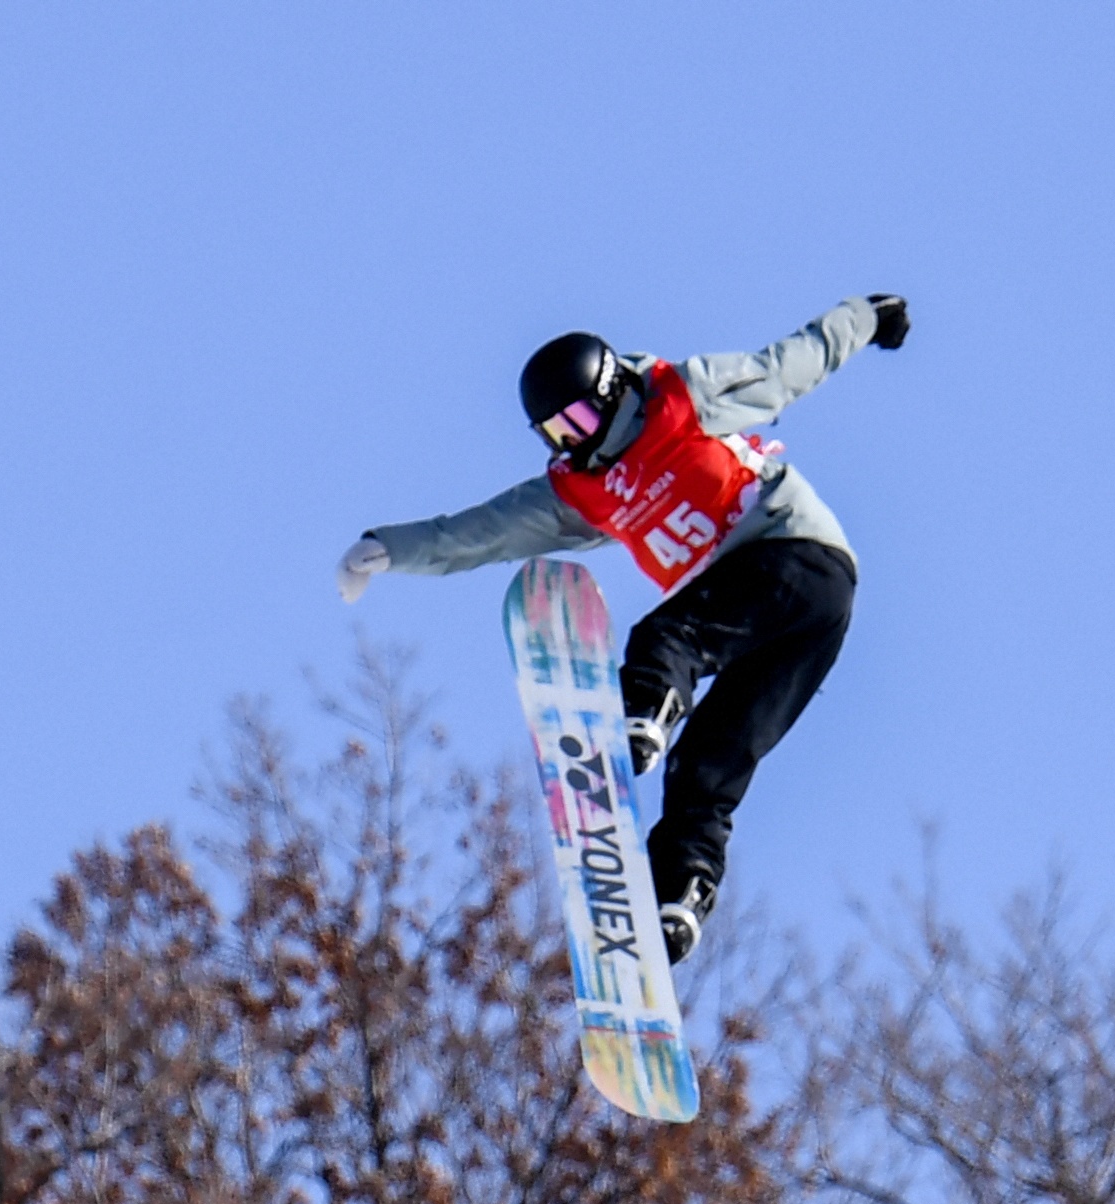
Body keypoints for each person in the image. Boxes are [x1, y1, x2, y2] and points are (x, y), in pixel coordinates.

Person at [337, 294, 909, 963]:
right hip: (801, 629)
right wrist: (390, 548)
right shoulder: (579, 489)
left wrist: (865, 319)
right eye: (556, 434)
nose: (574, 441)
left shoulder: (684, 395)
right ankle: (678, 898)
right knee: (711, 762)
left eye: (579, 419)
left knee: (666, 637)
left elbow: (788, 365)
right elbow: (483, 532)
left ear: (611, 393)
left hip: (795, 554)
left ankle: (647, 709)